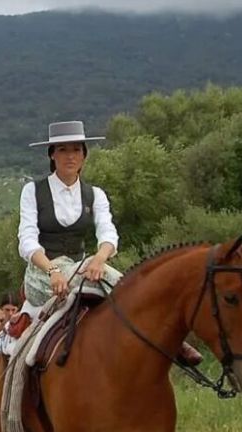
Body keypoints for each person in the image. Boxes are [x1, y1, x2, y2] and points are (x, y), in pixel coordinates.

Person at [18, 121, 203, 365]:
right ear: (52, 155)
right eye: (62, 150)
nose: (70, 156)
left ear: (84, 155)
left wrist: (99, 258)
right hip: (42, 274)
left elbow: (108, 233)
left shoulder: (95, 194)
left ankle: (163, 342)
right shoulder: (33, 191)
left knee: (126, 287)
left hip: (79, 268)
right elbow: (27, 239)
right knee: (112, 284)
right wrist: (52, 270)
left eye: (76, 150)